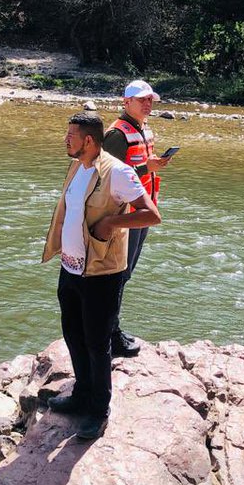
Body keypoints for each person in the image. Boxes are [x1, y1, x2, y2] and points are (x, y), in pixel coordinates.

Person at [42, 111, 161, 440]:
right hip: (71, 267)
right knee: (73, 334)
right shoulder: (77, 165)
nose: (66, 140)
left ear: (89, 141)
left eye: (71, 136)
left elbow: (151, 215)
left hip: (102, 272)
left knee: (97, 342)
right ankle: (82, 394)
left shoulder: (118, 172)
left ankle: (98, 409)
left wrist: (111, 223)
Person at [102, 79, 173, 357]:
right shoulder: (116, 134)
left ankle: (111, 329)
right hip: (125, 216)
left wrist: (153, 163)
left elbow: (134, 167)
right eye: (142, 99)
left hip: (142, 214)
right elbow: (108, 175)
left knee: (125, 274)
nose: (148, 103)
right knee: (118, 275)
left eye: (150, 100)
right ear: (126, 102)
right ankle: (110, 333)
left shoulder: (145, 130)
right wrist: (147, 166)